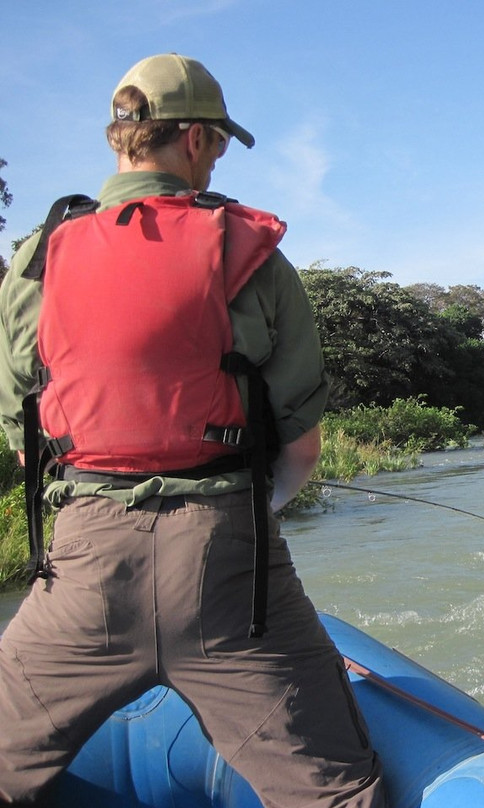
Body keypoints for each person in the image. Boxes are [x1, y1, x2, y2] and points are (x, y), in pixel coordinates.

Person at [0, 54, 384, 807]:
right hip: (229, 576)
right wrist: (248, 517)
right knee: (338, 793)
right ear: (199, 139)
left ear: (121, 138)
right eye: (216, 144)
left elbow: (24, 438)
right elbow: (301, 452)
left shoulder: (35, 260)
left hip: (81, 573)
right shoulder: (256, 259)